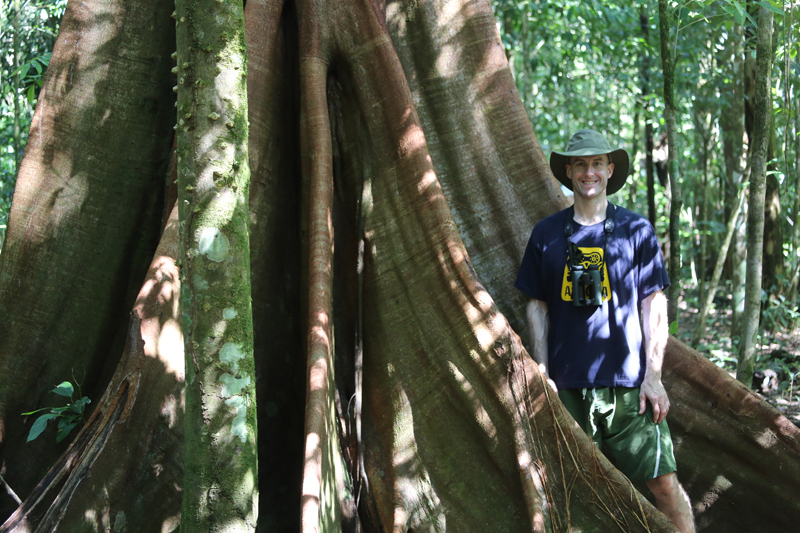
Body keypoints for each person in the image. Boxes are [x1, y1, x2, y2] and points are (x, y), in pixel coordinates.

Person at [515, 129, 695, 532]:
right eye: (580, 164)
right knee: (578, 498)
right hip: (569, 390)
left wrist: (653, 375)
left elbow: (655, 304)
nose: (589, 172)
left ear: (610, 170)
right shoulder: (546, 234)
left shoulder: (636, 230)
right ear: (568, 171)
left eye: (597, 163)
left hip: (630, 388)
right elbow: (537, 305)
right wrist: (543, 373)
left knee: (665, 485)